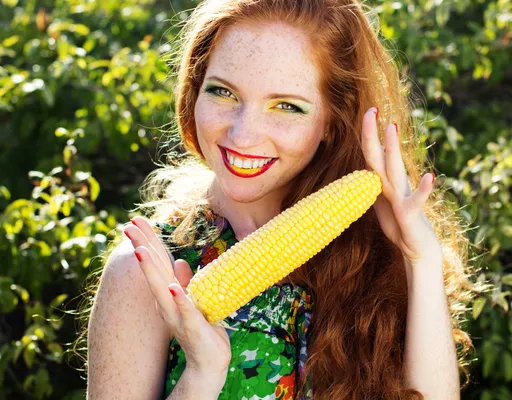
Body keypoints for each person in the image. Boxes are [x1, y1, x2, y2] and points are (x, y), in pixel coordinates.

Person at [83, 0, 477, 398]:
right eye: (223, 92)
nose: (243, 134)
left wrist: (420, 259)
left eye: (286, 106)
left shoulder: (371, 258)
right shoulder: (148, 273)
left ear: (332, 120)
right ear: (194, 90)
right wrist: (202, 373)